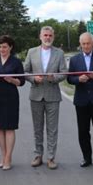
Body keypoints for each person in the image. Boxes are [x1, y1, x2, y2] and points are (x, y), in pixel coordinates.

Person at [23, 26, 67, 170]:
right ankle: (38, 155)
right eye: (45, 35)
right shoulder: (31, 52)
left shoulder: (59, 53)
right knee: (37, 128)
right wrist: (34, 78)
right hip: (36, 95)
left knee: (52, 129)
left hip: (53, 95)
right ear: (40, 36)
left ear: (53, 37)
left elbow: (64, 73)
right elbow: (25, 71)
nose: (47, 37)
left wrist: (53, 77)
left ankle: (51, 157)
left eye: (50, 35)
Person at [67, 32, 93, 169]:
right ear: (80, 44)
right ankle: (86, 158)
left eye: (88, 43)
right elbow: (69, 78)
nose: (86, 46)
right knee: (83, 131)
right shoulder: (74, 60)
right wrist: (78, 79)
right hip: (81, 100)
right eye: (83, 43)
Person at [0, 35, 25, 171]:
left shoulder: (16, 62)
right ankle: (3, 155)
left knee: (9, 127)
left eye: (5, 47)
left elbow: (22, 82)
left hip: (11, 97)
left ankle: (8, 157)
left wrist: (12, 80)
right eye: (0, 47)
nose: (2, 49)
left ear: (10, 47)